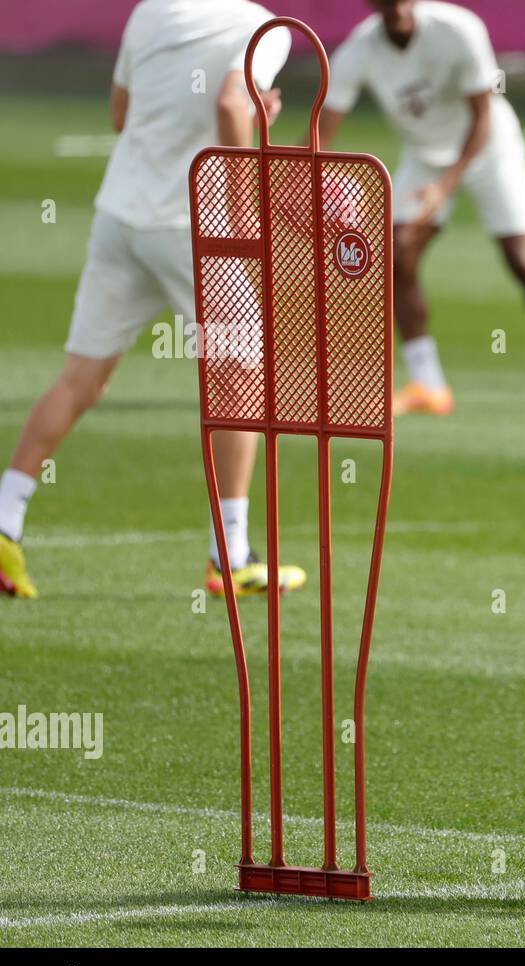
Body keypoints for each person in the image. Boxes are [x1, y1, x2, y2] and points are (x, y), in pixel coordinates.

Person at [0, 0, 306, 600]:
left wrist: (246, 115)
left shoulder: (150, 13)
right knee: (241, 381)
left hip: (120, 217)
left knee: (80, 381)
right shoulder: (263, 27)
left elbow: (122, 117)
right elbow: (226, 105)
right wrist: (243, 216)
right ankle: (231, 554)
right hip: (197, 227)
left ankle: (6, 518)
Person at [318, 0, 525, 416]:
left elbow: (482, 117)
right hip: (425, 156)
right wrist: (315, 183)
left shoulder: (458, 29)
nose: (395, 9)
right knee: (398, 255)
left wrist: (443, 187)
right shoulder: (357, 52)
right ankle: (427, 383)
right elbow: (323, 132)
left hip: (490, 150)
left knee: (520, 259)